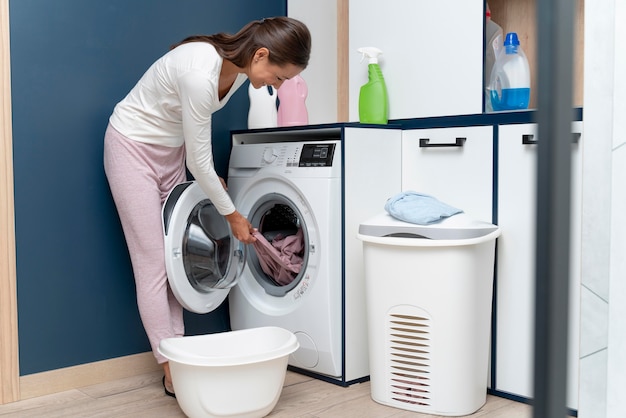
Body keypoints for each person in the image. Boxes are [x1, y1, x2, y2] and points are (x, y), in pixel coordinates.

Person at [103, 16, 311, 398]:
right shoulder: (200, 72)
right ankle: (170, 368)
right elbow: (201, 164)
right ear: (261, 54)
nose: (278, 87)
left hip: (171, 152)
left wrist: (221, 197)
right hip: (132, 147)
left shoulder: (236, 70)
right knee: (151, 262)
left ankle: (178, 349)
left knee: (173, 256)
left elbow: (193, 146)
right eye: (280, 77)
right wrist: (231, 214)